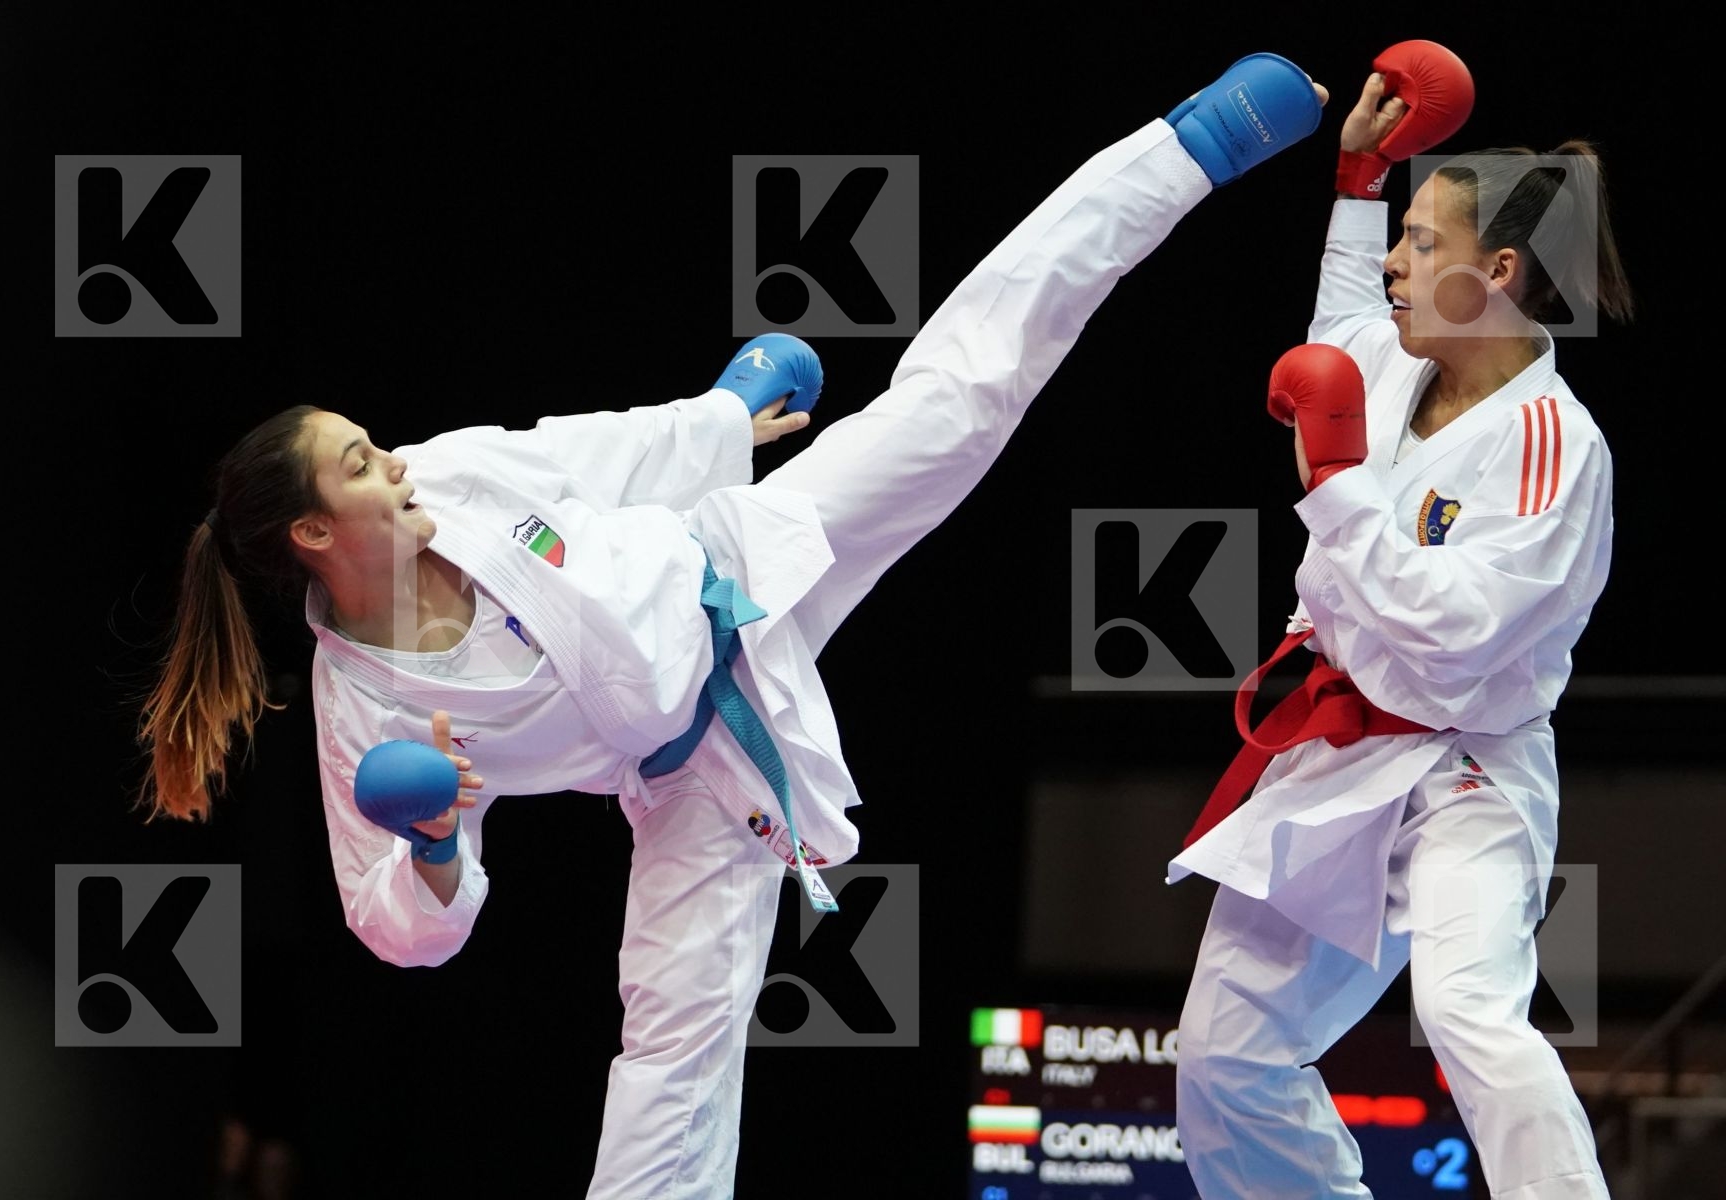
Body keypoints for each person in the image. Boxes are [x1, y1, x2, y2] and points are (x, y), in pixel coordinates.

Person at [135, 53, 1331, 1199]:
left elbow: (589, 452)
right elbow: (397, 932)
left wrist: (723, 412)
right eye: (359, 462)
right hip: (688, 779)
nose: (392, 461)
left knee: (958, 399)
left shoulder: (454, 479)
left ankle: (1191, 145)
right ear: (309, 533)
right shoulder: (368, 711)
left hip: (742, 565)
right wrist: (439, 846)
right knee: (671, 1063)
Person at [1166, 43, 1634, 1200]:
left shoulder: (1553, 448)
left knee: (1468, 1012)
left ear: (1501, 273)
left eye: (1426, 247)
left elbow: (1459, 630)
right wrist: (1357, 187)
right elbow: (1343, 315)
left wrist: (1332, 489)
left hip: (1463, 772)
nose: (1397, 270)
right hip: (1338, 753)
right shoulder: (1390, 355)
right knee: (1226, 1058)